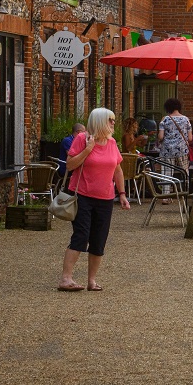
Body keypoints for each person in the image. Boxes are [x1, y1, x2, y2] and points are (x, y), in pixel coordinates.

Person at [59, 108, 131, 291]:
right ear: (99, 121)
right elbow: (70, 165)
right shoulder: (82, 139)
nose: (113, 123)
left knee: (99, 239)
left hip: (105, 198)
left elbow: (117, 170)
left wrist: (122, 194)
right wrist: (88, 149)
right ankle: (66, 279)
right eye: (110, 120)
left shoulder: (112, 142)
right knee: (81, 235)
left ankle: (91, 281)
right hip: (82, 195)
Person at [158, 98, 193, 166]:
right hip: (182, 150)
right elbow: (190, 138)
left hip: (167, 151)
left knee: (167, 171)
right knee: (183, 171)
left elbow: (161, 137)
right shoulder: (186, 119)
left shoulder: (165, 119)